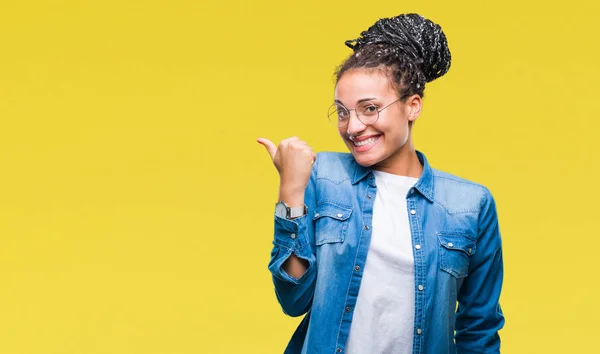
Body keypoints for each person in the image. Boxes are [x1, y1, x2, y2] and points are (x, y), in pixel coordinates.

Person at [257, 13, 504, 354]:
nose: (353, 127)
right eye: (342, 112)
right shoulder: (322, 176)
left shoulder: (468, 205)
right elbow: (293, 299)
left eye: (369, 109)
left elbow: (480, 327)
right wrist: (291, 191)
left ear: (412, 106)